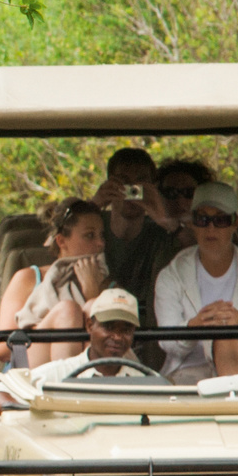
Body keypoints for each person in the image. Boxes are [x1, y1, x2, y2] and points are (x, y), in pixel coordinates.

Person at [154, 182, 238, 385]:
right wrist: (195, 326)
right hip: (189, 373)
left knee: (227, 336)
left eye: (221, 220)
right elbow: (167, 343)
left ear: (236, 223)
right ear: (192, 223)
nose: (211, 228)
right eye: (203, 219)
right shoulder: (171, 275)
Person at [91, 147, 182, 359]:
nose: (131, 190)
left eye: (140, 183)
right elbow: (55, 247)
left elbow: (197, 258)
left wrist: (164, 217)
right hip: (99, 329)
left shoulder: (163, 233)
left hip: (151, 330)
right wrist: (94, 204)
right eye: (122, 182)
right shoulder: (93, 227)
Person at [0, 198, 108, 367]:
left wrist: (93, 294)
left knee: (93, 307)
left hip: (95, 370)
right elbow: (3, 349)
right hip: (31, 368)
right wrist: (53, 324)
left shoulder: (109, 285)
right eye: (90, 235)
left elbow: (115, 342)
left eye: (102, 236)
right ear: (61, 241)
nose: (100, 243)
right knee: (68, 311)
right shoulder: (27, 278)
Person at [28, 287, 151, 380]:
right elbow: (12, 391)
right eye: (109, 327)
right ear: (90, 326)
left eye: (126, 330)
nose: (117, 337)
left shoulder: (144, 380)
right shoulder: (58, 374)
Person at [156, 158, 216, 249]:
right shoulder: (151, 232)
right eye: (171, 193)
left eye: (189, 193)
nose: (180, 200)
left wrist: (178, 230)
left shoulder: (221, 228)